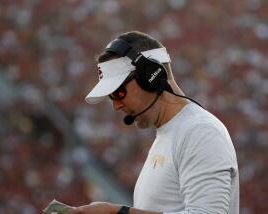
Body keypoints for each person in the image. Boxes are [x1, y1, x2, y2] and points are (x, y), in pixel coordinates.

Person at [70, 31, 239, 214]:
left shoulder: (200, 132)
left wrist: (118, 212)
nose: (116, 105)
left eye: (118, 92)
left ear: (151, 75)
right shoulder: (173, 132)